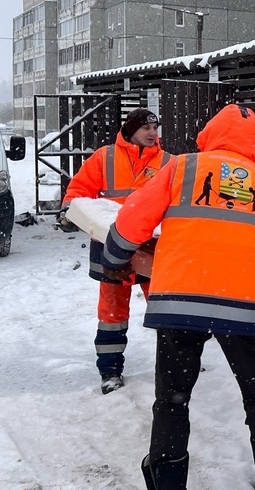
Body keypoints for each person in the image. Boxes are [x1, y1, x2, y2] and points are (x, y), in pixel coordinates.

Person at [101, 104, 255, 490]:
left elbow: (133, 219)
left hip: (181, 301)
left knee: (172, 398)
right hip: (244, 306)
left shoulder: (183, 168)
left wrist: (114, 258)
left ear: (209, 134)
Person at [58, 107, 171, 394]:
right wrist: (68, 211)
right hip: (112, 245)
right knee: (112, 312)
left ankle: (178, 363)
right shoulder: (105, 157)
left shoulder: (169, 162)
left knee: (165, 308)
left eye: (155, 128)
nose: (152, 133)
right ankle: (110, 371)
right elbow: (80, 189)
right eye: (146, 128)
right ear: (131, 130)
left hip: (152, 247)